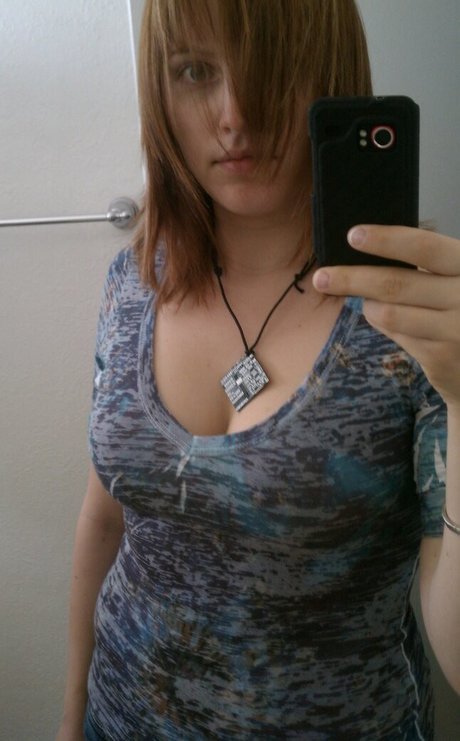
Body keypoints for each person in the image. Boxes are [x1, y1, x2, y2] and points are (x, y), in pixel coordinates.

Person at [57, 1, 460, 739]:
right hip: (121, 712)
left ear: (333, 78)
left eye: (269, 68)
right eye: (194, 72)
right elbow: (104, 517)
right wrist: (72, 709)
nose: (235, 116)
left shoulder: (415, 320)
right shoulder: (134, 281)